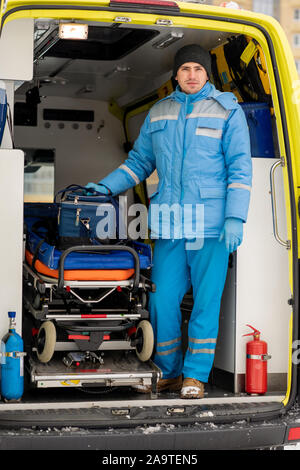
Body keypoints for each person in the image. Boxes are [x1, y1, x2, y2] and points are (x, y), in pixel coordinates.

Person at [86, 44, 252, 399]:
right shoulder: (159, 112)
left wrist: (235, 217)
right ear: (175, 74)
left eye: (198, 68)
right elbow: (139, 163)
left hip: (211, 226)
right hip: (170, 224)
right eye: (185, 69)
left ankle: (195, 376)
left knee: (207, 302)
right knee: (162, 300)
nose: (192, 74)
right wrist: (105, 186)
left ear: (207, 73)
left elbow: (240, 168)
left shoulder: (227, 111)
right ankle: (169, 370)